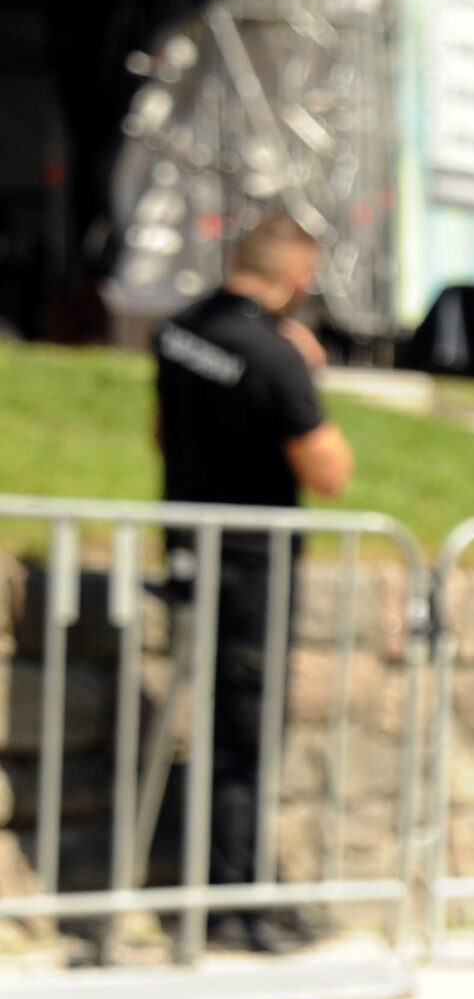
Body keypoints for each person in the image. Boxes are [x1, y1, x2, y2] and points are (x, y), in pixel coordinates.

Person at [153, 212, 356, 953]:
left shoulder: (176, 331)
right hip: (251, 568)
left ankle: (242, 885)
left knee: (222, 731)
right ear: (298, 278)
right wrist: (307, 373)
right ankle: (234, 906)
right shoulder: (273, 355)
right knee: (245, 737)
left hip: (187, 552)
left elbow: (158, 432)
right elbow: (331, 471)